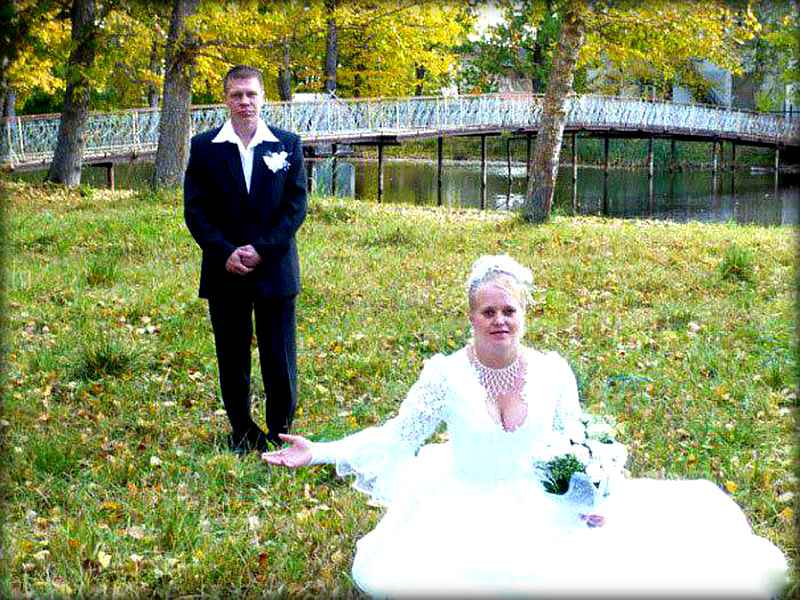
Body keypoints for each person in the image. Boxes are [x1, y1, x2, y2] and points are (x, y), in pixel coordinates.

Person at [264, 255, 788, 597]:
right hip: (465, 505)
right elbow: (397, 438)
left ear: (524, 315)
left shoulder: (554, 370)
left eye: (509, 310)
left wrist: (592, 500)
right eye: (488, 311)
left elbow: (578, 445)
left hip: (542, 504)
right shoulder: (444, 376)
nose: (499, 320)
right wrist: (321, 450)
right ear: (471, 317)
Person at [185, 65, 307, 454]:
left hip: (275, 268)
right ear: (226, 99)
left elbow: (296, 206)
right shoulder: (205, 147)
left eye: (251, 94)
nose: (244, 102)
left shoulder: (287, 144)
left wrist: (263, 249)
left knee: (279, 357)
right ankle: (242, 431)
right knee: (232, 357)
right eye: (237, 94)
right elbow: (196, 210)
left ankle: (280, 432)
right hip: (225, 270)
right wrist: (224, 251)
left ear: (262, 97)